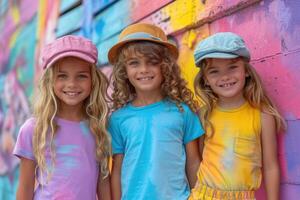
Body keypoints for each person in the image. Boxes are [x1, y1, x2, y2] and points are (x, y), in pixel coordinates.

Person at [107, 23, 205, 200]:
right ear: (124, 71)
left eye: (152, 62)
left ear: (165, 66)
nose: (143, 69)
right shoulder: (118, 119)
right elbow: (117, 170)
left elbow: (193, 162)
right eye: (134, 63)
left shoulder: (182, 112)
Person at [13, 35, 111, 200]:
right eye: (62, 76)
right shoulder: (34, 129)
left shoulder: (98, 128)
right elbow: (25, 187)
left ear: (93, 81)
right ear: (50, 81)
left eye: (81, 76)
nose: (72, 84)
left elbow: (103, 183)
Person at [190, 32, 286, 200]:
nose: (225, 77)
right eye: (214, 71)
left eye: (232, 67)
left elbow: (271, 167)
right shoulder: (203, 114)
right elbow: (197, 160)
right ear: (205, 79)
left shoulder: (262, 115)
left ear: (246, 71)